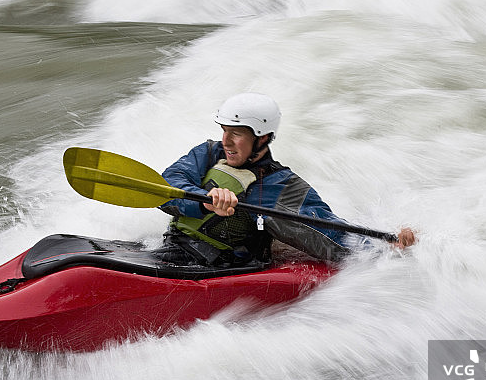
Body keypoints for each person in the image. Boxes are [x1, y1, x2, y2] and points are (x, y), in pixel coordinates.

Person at [157, 92, 416, 266]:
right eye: (224, 131)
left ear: (262, 138)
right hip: (172, 248)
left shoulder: (284, 187)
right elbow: (165, 188)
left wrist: (387, 247)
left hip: (222, 265)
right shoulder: (208, 153)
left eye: (236, 134)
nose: (226, 141)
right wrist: (205, 201)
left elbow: (330, 232)